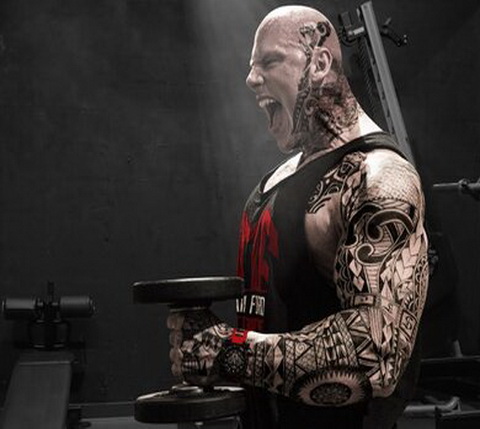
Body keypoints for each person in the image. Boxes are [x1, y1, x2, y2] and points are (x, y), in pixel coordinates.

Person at [168, 5, 430, 428]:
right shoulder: (278, 180)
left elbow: (375, 356)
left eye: (269, 62)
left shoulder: (378, 177)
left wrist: (227, 352)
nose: (251, 79)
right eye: (251, 66)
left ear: (319, 63)